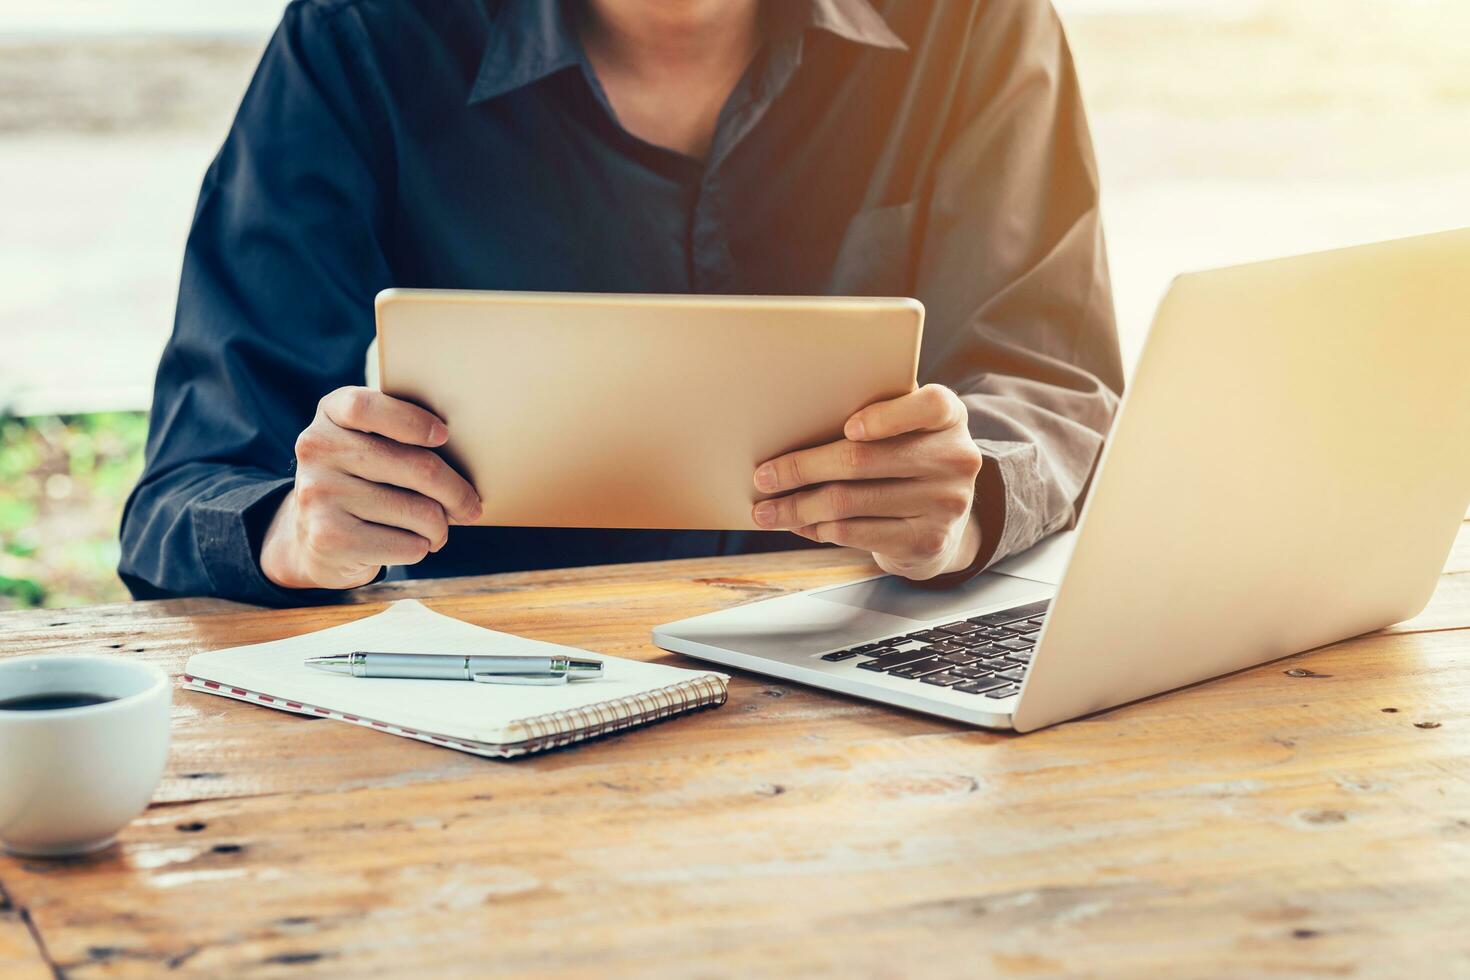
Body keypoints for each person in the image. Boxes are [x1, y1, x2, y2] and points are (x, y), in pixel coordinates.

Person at [119, 0, 1124, 605]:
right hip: (482, 687)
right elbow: (185, 495)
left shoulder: (972, 23)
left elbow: (1053, 380)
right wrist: (295, 532)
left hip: (861, 666)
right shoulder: (358, 43)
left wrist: (966, 505)